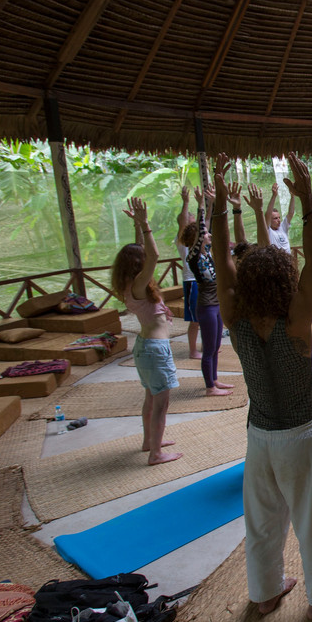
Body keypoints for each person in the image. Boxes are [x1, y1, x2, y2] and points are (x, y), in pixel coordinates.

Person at [210, 152, 312, 620]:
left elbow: (221, 260)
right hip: (299, 437)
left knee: (261, 523)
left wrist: (220, 208)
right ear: (285, 278)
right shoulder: (296, 322)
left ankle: (265, 593)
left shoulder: (236, 320)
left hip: (260, 437)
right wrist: (306, 202)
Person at [112, 197, 181, 466]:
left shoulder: (131, 284)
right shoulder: (139, 284)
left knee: (150, 399)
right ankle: (156, 453)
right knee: (161, 404)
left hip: (145, 348)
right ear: (138, 264)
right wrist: (147, 226)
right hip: (154, 350)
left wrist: (138, 225)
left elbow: (141, 251)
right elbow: (153, 255)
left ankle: (148, 441)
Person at [180, 187, 234, 396]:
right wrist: (201, 206)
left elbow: (209, 225)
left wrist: (211, 204)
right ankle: (209, 387)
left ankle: (215, 379)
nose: (209, 235)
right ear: (198, 238)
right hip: (206, 306)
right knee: (209, 347)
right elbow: (204, 226)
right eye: (205, 234)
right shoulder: (193, 257)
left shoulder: (208, 253)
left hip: (216, 304)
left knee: (216, 345)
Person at [176, 186, 201, 359]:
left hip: (202, 281)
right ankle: (192, 350)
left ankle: (206, 346)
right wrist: (186, 202)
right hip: (191, 281)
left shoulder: (200, 241)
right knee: (195, 319)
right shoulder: (182, 242)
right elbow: (183, 223)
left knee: (205, 317)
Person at [265, 181, 296, 251]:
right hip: (276, 261)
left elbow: (291, 213)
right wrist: (274, 196)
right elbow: (267, 214)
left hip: (288, 260)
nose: (279, 220)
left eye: (279, 217)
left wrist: (292, 196)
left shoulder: (283, 227)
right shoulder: (268, 230)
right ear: (269, 220)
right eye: (275, 218)